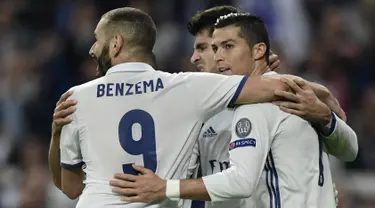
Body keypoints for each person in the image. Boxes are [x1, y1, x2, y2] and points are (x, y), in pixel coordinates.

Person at [47, 7, 294, 208]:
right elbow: (274, 87)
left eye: (96, 40)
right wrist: (261, 69)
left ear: (115, 44)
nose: (91, 49)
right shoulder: (185, 88)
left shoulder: (74, 98)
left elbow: (70, 188)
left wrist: (56, 134)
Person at [108, 12, 358, 208]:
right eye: (215, 48)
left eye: (227, 46)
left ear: (258, 50)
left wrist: (326, 118)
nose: (218, 57)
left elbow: (350, 150)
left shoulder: (278, 103)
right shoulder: (283, 95)